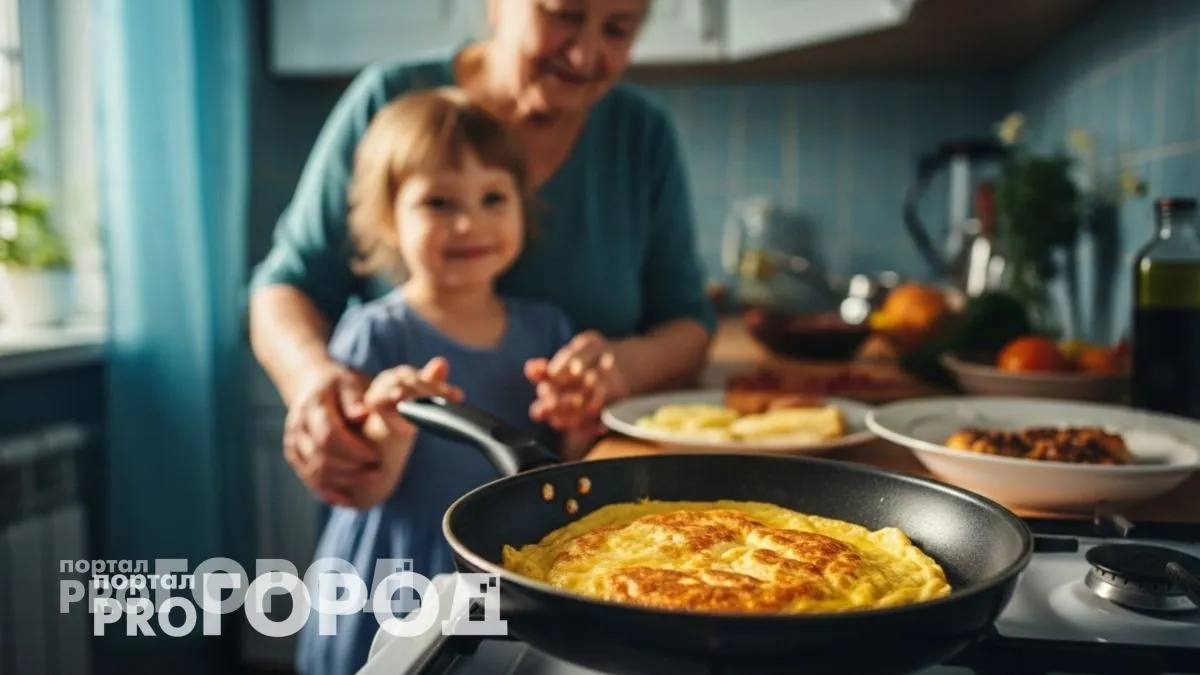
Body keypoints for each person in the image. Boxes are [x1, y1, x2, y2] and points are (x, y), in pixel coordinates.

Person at [249, 0, 717, 513]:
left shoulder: (641, 133)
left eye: (618, 28)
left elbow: (687, 323)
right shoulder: (389, 99)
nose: (586, 54)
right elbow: (288, 283)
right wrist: (316, 382)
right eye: (563, 15)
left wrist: (619, 370)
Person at [294, 87, 613, 675]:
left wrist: (579, 423)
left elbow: (561, 470)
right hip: (392, 580)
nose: (470, 223)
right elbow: (360, 490)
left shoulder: (548, 329)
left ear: (523, 207)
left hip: (502, 575)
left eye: (494, 198)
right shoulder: (373, 337)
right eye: (438, 203)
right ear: (389, 218)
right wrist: (389, 425)